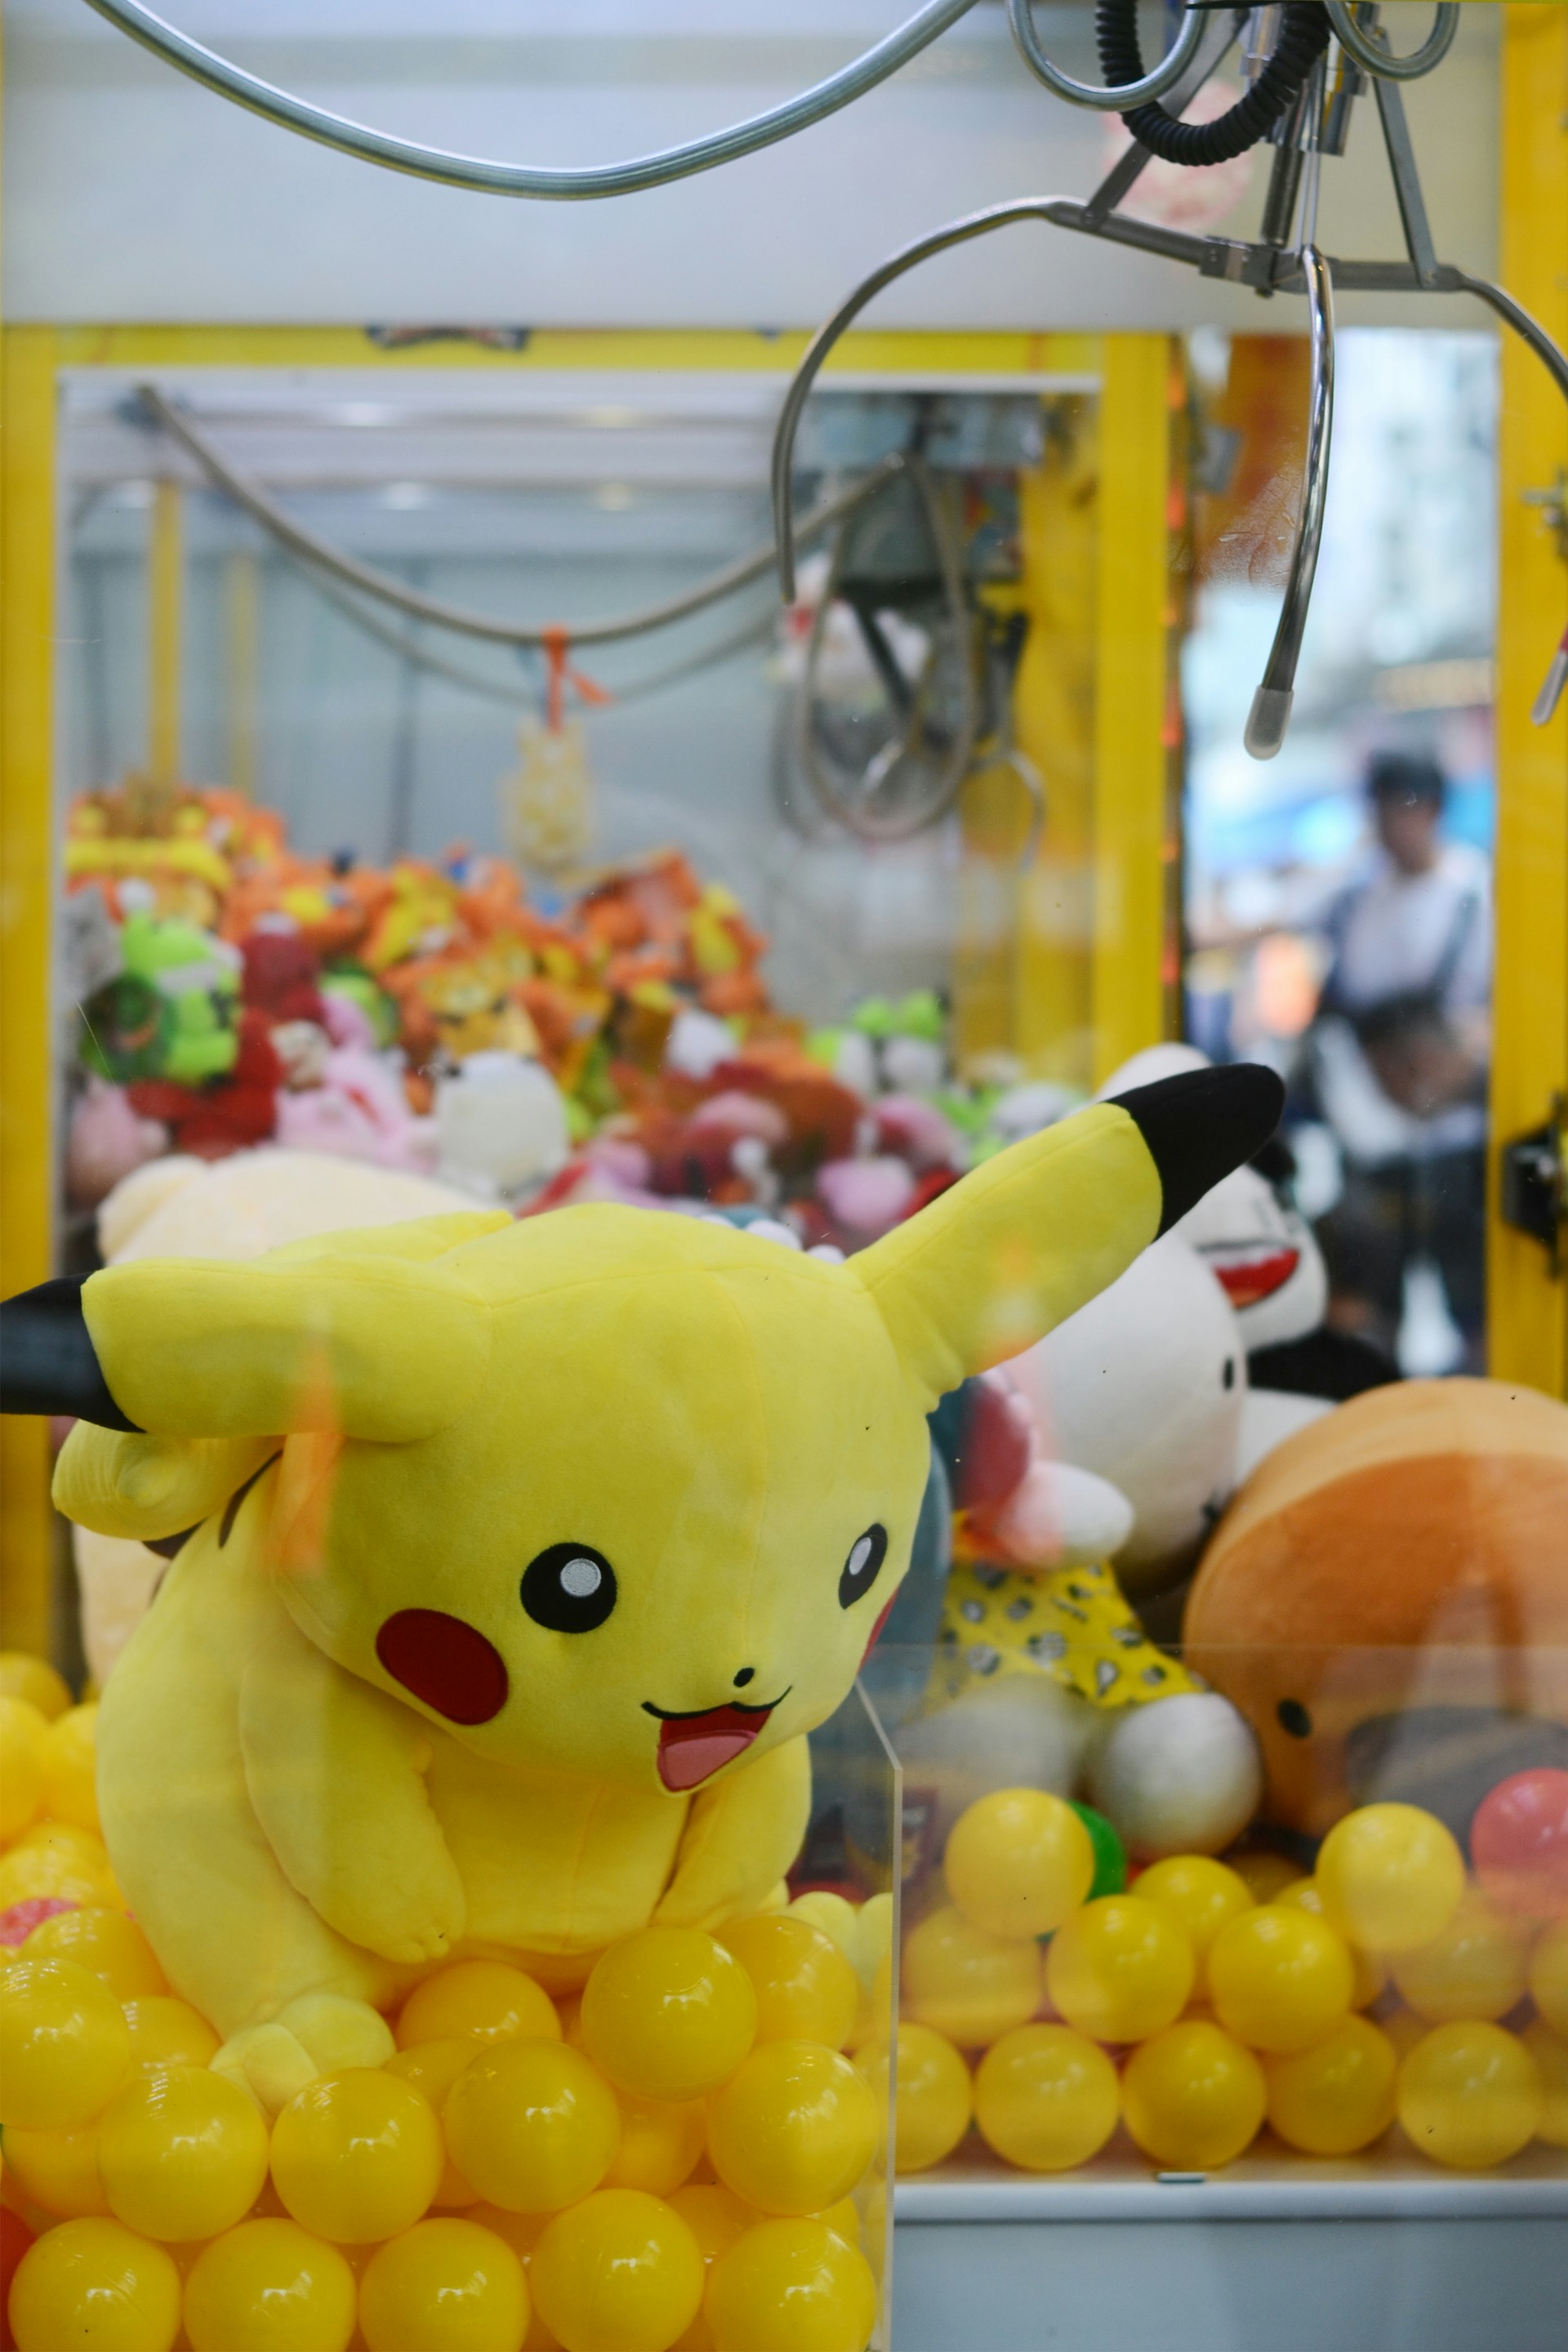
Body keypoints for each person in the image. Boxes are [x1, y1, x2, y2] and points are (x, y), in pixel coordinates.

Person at [1306, 751, 1491, 1370]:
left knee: (1478, 1312)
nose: (1392, 824)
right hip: (1376, 1141)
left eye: (1404, 808)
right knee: (1368, 1316)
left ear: (1436, 811)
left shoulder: (1479, 893)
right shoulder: (1357, 903)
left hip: (1462, 1139)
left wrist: (1463, 1060)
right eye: (1381, 809)